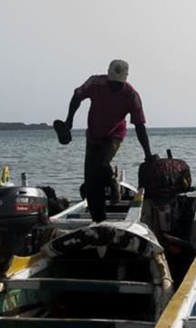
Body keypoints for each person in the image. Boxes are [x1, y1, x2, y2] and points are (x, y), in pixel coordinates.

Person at [63, 59, 153, 223]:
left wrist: (147, 154)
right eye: (112, 83)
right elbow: (76, 97)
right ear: (108, 76)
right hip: (93, 136)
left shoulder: (131, 95)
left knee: (102, 164)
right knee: (91, 185)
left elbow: (140, 126)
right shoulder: (95, 83)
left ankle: (113, 183)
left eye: (118, 84)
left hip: (114, 135)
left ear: (125, 80)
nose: (114, 87)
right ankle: (99, 221)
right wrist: (69, 121)